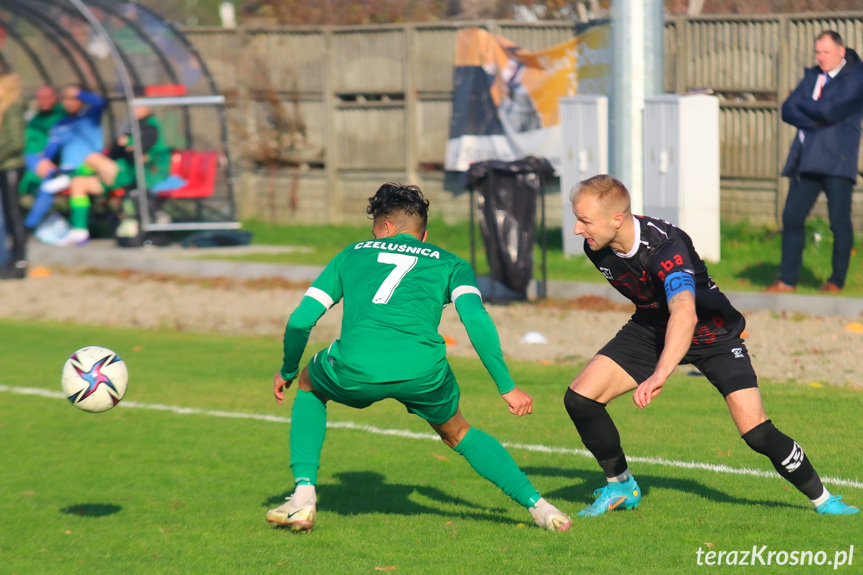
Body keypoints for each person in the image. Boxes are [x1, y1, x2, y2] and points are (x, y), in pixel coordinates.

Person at [266, 182, 572, 533]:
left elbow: (300, 320)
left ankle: (303, 497)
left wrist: (287, 369)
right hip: (424, 371)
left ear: (384, 228)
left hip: (356, 367)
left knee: (308, 383)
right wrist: (507, 386)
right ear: (422, 235)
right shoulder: (452, 263)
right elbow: (474, 318)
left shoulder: (352, 253)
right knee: (458, 432)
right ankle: (542, 508)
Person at [564, 174, 858, 517]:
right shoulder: (596, 247)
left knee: (757, 431)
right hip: (652, 329)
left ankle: (825, 500)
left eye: (584, 221)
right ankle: (621, 486)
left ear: (616, 219)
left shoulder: (665, 247)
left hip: (712, 334)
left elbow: (685, 314)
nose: (576, 230)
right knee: (581, 399)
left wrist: (660, 373)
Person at [767, 30, 863, 294]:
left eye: (826, 52)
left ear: (841, 52)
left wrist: (805, 104)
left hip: (837, 161)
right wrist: (815, 117)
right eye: (817, 52)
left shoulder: (856, 78)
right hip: (807, 159)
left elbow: (830, 111)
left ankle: (836, 281)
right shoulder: (812, 76)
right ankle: (786, 281)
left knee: (839, 223)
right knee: (792, 217)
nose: (821, 58)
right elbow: (788, 109)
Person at [63, 100, 171, 245]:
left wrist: (126, 145)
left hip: (131, 174)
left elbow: (139, 155)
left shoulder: (150, 127)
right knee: (79, 184)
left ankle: (66, 178)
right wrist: (122, 146)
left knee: (92, 158)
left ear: (148, 107)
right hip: (116, 173)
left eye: (139, 106)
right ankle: (80, 231)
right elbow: (115, 152)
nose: (135, 110)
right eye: (134, 106)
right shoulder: (133, 126)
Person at [23, 84, 106, 246]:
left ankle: (28, 227)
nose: (70, 103)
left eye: (74, 99)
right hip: (66, 171)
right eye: (67, 100)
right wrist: (43, 160)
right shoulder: (60, 125)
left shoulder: (90, 117)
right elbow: (50, 150)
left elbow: (101, 103)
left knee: (54, 186)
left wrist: (79, 92)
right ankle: (31, 226)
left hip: (88, 170)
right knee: (47, 184)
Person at [0, 73, 28, 279]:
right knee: (6, 217)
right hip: (3, 166)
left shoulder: (13, 110)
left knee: (13, 214)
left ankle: (19, 261)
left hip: (10, 167)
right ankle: (9, 258)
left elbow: (16, 143)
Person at [19, 85, 65, 198]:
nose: (42, 101)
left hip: (50, 162)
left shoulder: (61, 116)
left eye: (46, 97)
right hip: (29, 159)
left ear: (55, 98)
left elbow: (59, 142)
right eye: (39, 98)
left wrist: (45, 158)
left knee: (42, 177)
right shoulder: (36, 119)